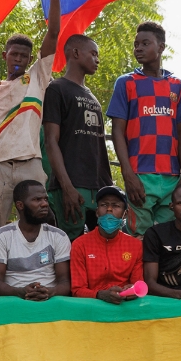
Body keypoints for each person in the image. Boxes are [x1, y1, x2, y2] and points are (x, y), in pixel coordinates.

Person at [0, 0, 65, 296]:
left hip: (29, 164)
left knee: (40, 233)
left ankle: (45, 292)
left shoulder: (36, 79)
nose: (20, 58)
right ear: (4, 55)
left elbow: (52, 34)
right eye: (15, 53)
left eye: (25, 54)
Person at [108, 21, 181, 237]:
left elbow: (180, 133)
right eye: (136, 45)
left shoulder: (176, 85)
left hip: (172, 176)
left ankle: (165, 273)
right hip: (140, 175)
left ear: (161, 47)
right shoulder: (126, 83)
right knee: (138, 236)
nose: (139, 49)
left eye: (145, 43)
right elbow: (117, 131)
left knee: (169, 236)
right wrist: (128, 174)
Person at [44, 34, 113, 240]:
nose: (97, 59)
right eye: (93, 54)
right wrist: (67, 187)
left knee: (100, 245)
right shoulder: (57, 89)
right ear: (75, 53)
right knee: (69, 245)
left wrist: (107, 186)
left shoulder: (91, 95)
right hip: (73, 185)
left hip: (98, 185)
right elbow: (50, 141)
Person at [0, 180, 71, 300]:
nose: (44, 204)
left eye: (45, 199)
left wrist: (49, 292)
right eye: (37, 200)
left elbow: (65, 282)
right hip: (14, 301)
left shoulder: (58, 236)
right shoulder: (1, 236)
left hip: (50, 300)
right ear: (20, 205)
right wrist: (19, 292)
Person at [70, 186, 144, 303]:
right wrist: (99, 294)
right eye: (104, 205)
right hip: (92, 307)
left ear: (125, 214)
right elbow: (77, 290)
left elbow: (138, 284)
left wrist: (131, 290)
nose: (109, 209)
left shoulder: (135, 246)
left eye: (116, 206)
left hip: (124, 306)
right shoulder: (80, 244)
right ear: (97, 212)